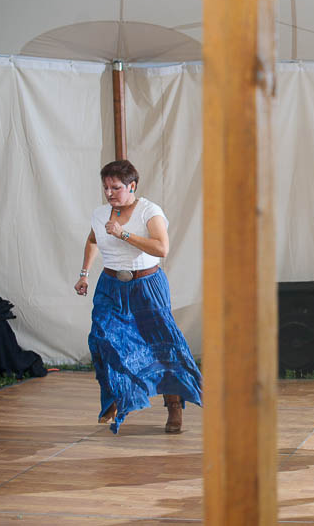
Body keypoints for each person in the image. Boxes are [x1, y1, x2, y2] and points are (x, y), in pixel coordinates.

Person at [74, 160, 202, 434]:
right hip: (111, 286)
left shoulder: (149, 211)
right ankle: (117, 396)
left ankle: (174, 403)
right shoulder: (100, 214)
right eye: (106, 187)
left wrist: (124, 234)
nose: (110, 193)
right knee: (103, 339)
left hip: (145, 285)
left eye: (116, 187)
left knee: (162, 345)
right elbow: (93, 239)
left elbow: (161, 248)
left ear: (132, 186)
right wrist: (84, 273)